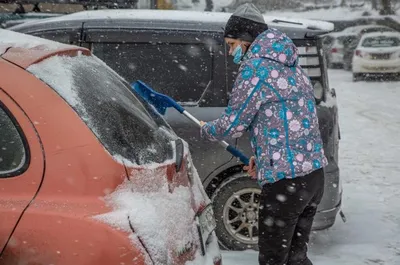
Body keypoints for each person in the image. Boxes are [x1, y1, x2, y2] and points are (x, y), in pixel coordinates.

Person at [200, 3, 328, 265]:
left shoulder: (255, 69)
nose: (229, 50)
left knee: (273, 259)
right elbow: (293, 120)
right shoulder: (291, 64)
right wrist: (266, 156)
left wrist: (206, 129)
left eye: (231, 43)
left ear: (246, 40)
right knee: (296, 258)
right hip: (313, 178)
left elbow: (234, 124)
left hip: (287, 185)